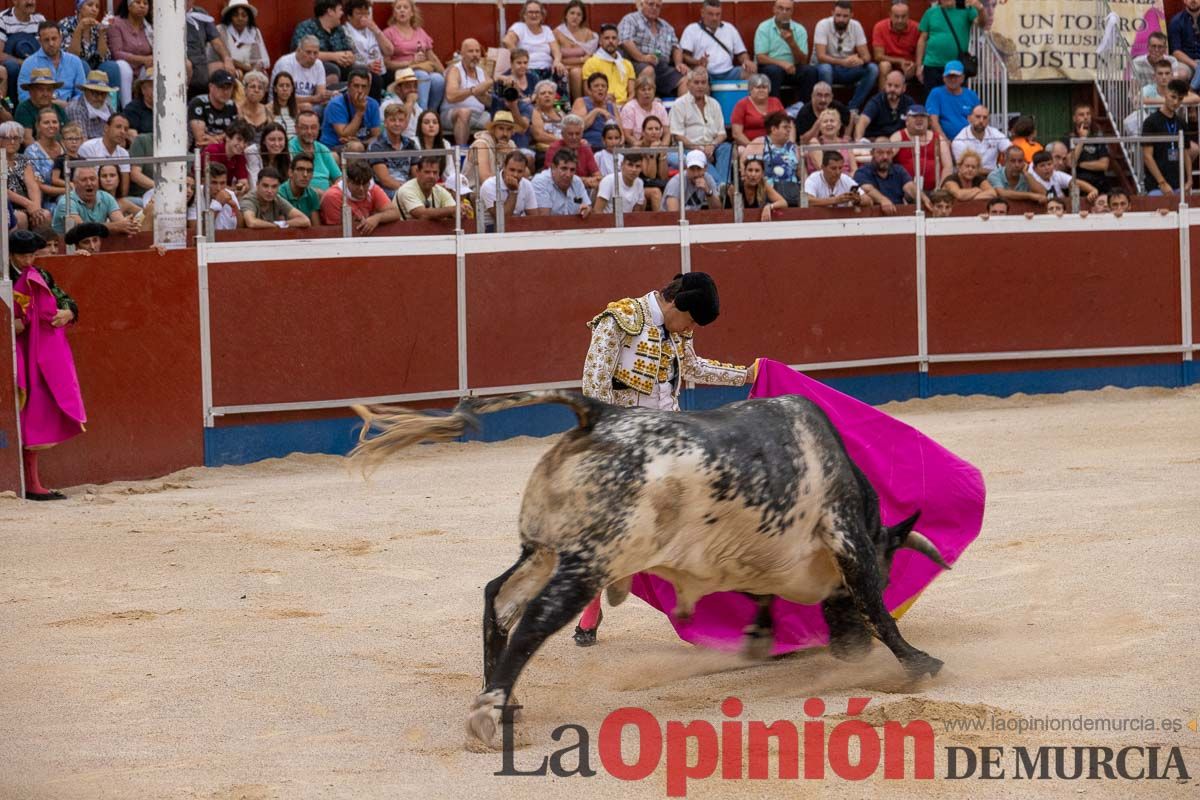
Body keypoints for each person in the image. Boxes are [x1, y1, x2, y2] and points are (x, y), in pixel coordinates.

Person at [574, 271, 755, 644]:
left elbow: (691, 367)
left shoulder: (678, 329)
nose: (689, 328)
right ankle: (592, 603)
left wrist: (745, 375)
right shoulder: (620, 320)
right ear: (676, 304)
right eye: (689, 319)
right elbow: (593, 387)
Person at [9, 229, 86, 501]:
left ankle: (32, 482)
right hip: (13, 353)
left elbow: (65, 299)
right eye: (21, 255)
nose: (28, 260)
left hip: (35, 354)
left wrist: (69, 312)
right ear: (9, 254)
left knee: (34, 411)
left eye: (31, 254)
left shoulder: (41, 275)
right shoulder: (4, 277)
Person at [668, 67, 731, 188]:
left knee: (726, 148)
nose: (700, 86)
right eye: (696, 82)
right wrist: (700, 149)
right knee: (698, 155)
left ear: (708, 85)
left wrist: (712, 146)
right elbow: (677, 136)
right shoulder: (679, 104)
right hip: (690, 148)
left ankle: (723, 185)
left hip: (712, 146)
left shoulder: (714, 104)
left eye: (703, 82)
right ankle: (721, 186)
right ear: (688, 84)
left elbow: (722, 134)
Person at [812, 0, 878, 114]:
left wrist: (860, 60)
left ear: (851, 15)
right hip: (828, 68)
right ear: (832, 13)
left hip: (847, 68)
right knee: (825, 68)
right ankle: (828, 109)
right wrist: (843, 62)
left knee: (873, 69)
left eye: (845, 16)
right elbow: (820, 56)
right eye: (838, 15)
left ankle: (852, 108)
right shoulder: (822, 24)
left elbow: (867, 56)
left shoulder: (856, 25)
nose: (841, 19)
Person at [382, 0, 445, 115]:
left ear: (412, 13)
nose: (402, 10)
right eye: (398, 8)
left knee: (438, 79)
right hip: (401, 72)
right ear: (394, 14)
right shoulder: (388, 33)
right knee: (423, 75)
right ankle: (422, 114)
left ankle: (431, 113)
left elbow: (432, 57)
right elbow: (387, 63)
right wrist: (411, 63)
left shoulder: (420, 31)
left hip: (422, 68)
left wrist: (445, 74)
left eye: (405, 7)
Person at [618, 0, 688, 98]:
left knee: (686, 78)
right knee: (648, 70)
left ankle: (682, 112)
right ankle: (648, 107)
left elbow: (676, 46)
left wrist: (678, 64)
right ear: (642, 4)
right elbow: (625, 41)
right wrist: (642, 57)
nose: (654, 8)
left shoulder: (666, 26)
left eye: (658, 6)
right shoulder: (631, 19)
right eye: (651, 4)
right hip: (636, 63)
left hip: (662, 66)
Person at [58, 0, 122, 102]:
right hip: (72, 68)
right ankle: (85, 104)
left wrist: (101, 34)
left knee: (112, 66)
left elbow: (104, 57)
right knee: (81, 64)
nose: (94, 9)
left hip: (94, 66)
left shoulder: (97, 26)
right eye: (90, 5)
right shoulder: (66, 24)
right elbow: (70, 56)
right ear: (79, 8)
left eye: (97, 6)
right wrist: (79, 29)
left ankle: (113, 106)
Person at [754, 0, 817, 101]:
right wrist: (781, 63)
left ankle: (804, 109)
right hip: (771, 67)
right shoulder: (764, 27)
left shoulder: (799, 29)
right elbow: (760, 57)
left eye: (788, 9)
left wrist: (791, 42)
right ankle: (775, 110)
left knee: (810, 71)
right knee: (774, 71)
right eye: (780, 8)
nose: (784, 12)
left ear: (792, 12)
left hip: (793, 68)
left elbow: (803, 61)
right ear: (774, 9)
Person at [916, 0, 986, 91]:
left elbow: (981, 24)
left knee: (957, 100)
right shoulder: (930, 12)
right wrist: (918, 66)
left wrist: (980, 9)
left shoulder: (967, 10)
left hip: (956, 67)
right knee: (933, 100)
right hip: (932, 65)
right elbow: (922, 40)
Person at [679, 0, 756, 82]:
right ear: (702, 13)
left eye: (718, 14)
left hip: (729, 72)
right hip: (705, 72)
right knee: (699, 76)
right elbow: (684, 56)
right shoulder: (692, 29)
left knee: (750, 72)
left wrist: (746, 61)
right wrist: (697, 62)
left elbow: (741, 53)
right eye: (710, 14)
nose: (714, 18)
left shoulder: (729, 28)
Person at [319, 159, 401, 232]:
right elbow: (335, 231)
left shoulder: (373, 188)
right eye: (357, 184)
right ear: (347, 181)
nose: (361, 189)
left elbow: (395, 213)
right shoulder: (332, 196)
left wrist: (377, 218)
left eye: (365, 184)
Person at [17, 20, 88, 103]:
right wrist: (50, 104)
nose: (51, 43)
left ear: (61, 38)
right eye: (46, 40)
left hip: (69, 109)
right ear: (40, 42)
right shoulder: (29, 63)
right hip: (40, 110)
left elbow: (81, 94)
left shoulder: (74, 61)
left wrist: (69, 106)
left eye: (54, 39)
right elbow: (23, 96)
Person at [441, 38, 492, 146]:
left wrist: (481, 95)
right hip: (452, 114)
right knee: (464, 112)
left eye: (477, 51)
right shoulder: (455, 70)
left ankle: (499, 153)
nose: (475, 55)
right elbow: (451, 96)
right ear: (462, 53)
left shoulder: (482, 72)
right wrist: (472, 91)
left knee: (501, 117)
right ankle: (462, 152)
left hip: (479, 115)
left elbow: (490, 103)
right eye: (471, 51)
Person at [290, 0, 355, 84]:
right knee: (332, 69)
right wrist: (334, 56)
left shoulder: (339, 29)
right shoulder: (306, 27)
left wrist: (349, 56)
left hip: (340, 67)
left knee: (360, 71)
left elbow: (348, 49)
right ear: (330, 12)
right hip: (311, 67)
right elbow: (299, 53)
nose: (342, 13)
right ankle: (329, 96)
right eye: (340, 10)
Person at [504, 0, 565, 88]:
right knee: (534, 79)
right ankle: (533, 101)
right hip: (528, 68)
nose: (534, 15)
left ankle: (559, 102)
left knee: (561, 72)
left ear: (542, 15)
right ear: (524, 15)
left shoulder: (546, 30)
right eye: (530, 12)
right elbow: (507, 41)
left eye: (537, 12)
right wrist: (520, 59)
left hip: (547, 68)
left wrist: (557, 61)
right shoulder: (519, 27)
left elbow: (556, 50)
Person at [1141, 80, 1188, 195]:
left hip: (1178, 183)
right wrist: (1162, 183)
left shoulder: (1182, 122)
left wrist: (1190, 180)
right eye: (1173, 97)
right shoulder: (1150, 122)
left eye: (1180, 99)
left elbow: (1186, 153)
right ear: (1165, 94)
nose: (1176, 102)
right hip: (1157, 185)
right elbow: (1147, 156)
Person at [318, 66, 381, 150]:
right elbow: (344, 135)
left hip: (361, 145)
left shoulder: (373, 104)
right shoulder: (336, 104)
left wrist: (361, 142)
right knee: (356, 147)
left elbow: (376, 137)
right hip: (332, 148)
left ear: (369, 88)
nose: (360, 90)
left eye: (364, 86)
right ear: (348, 86)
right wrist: (359, 112)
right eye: (356, 86)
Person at [342, 0, 391, 99]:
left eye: (366, 13)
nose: (363, 17)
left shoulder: (372, 29)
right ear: (349, 16)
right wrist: (366, 67)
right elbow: (347, 59)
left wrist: (376, 29)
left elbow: (389, 51)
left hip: (381, 69)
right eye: (359, 13)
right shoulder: (344, 31)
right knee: (375, 79)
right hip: (359, 71)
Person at [185, 0, 236, 95]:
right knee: (187, 65)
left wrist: (227, 59)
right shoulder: (170, 16)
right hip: (182, 64)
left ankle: (223, 107)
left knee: (225, 69)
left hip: (202, 65)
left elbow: (216, 41)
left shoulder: (201, 13)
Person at [272, 35, 334, 114]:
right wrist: (313, 99)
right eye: (308, 52)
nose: (312, 56)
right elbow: (283, 97)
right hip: (281, 105)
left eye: (315, 53)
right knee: (306, 107)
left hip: (309, 105)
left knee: (332, 105)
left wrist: (329, 96)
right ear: (298, 50)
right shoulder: (286, 64)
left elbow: (320, 94)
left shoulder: (318, 64)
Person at [394, 154, 468, 220]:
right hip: (399, 234)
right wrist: (454, 209)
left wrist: (461, 212)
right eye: (427, 172)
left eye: (435, 172)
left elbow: (455, 212)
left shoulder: (440, 191)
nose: (431, 176)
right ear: (417, 172)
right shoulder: (407, 189)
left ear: (439, 174)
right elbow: (422, 215)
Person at [478, 149, 537, 230]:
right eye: (512, 170)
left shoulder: (527, 184)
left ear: (525, 171)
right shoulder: (489, 185)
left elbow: (534, 217)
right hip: (490, 229)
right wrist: (513, 191)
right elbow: (502, 220)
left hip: (518, 227)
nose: (515, 175)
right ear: (504, 167)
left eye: (520, 171)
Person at [108, 0, 152, 105]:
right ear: (128, 6)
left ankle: (147, 106)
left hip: (143, 68)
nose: (142, 6)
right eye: (138, 2)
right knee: (124, 67)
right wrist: (143, 59)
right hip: (123, 67)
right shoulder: (116, 23)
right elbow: (117, 53)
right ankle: (127, 106)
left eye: (145, 3)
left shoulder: (149, 27)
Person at [240, 165, 312, 230]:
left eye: (274, 186)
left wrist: (281, 224)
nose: (270, 191)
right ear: (257, 184)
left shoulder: (277, 198)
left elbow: (305, 220)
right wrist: (276, 225)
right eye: (265, 186)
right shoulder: (248, 200)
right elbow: (252, 222)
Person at [368, 102, 417, 197]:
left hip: (408, 190)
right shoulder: (376, 146)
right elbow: (385, 180)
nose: (397, 124)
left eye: (401, 120)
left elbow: (416, 173)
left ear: (406, 124)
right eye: (393, 120)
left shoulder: (410, 144)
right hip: (385, 192)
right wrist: (409, 191)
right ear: (385, 123)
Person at [924, 60, 979, 141]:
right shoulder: (936, 93)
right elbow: (933, 122)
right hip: (944, 140)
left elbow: (979, 119)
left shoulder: (971, 95)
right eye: (949, 76)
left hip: (970, 140)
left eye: (956, 76)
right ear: (944, 78)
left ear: (963, 78)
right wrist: (945, 141)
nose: (952, 79)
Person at [554, 0, 598, 100]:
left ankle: (579, 102)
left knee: (576, 72)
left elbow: (589, 59)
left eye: (579, 14)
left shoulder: (588, 34)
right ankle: (567, 105)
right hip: (563, 67)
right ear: (566, 15)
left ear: (582, 18)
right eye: (572, 13)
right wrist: (579, 60)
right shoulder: (557, 33)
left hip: (583, 68)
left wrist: (571, 63)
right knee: (566, 72)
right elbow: (556, 58)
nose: (575, 17)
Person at [289, 109, 341, 192]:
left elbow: (338, 178)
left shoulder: (322, 148)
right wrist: (316, 193)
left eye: (313, 127)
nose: (309, 132)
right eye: (304, 128)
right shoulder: (290, 148)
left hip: (326, 198)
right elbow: (290, 182)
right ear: (296, 129)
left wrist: (333, 194)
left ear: (318, 128)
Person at [872, 1, 919, 92]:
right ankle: (883, 101)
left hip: (909, 66)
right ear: (890, 15)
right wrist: (900, 61)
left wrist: (914, 65)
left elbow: (921, 54)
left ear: (908, 15)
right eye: (896, 16)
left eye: (903, 16)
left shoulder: (916, 28)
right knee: (884, 65)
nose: (900, 20)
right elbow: (878, 56)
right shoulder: (880, 27)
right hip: (890, 65)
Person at [854, 69, 914, 140]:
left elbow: (915, 122)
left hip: (898, 141)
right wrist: (858, 140)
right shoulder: (876, 101)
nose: (892, 89)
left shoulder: (909, 102)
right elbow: (862, 121)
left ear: (904, 88)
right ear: (885, 85)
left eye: (896, 86)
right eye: (889, 85)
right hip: (877, 142)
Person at [530, 147, 591, 217]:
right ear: (553, 168)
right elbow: (544, 219)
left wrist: (586, 210)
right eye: (564, 168)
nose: (568, 175)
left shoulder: (577, 181)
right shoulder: (540, 182)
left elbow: (588, 207)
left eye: (572, 170)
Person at [581, 24, 631, 106]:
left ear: (618, 41)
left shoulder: (627, 64)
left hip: (625, 106)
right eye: (607, 38)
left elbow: (632, 92)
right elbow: (587, 91)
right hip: (601, 104)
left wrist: (626, 106)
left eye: (614, 38)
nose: (611, 41)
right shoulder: (591, 62)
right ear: (600, 41)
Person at [188, 68, 239, 148]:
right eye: (221, 87)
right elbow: (201, 141)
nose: (226, 92)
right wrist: (225, 138)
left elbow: (236, 136)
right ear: (211, 87)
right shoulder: (198, 103)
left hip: (222, 152)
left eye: (229, 88)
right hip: (198, 154)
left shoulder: (231, 105)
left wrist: (214, 139)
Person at [803, 149, 872, 208]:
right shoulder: (813, 179)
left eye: (840, 168)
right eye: (833, 168)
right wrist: (836, 200)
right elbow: (806, 201)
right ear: (823, 167)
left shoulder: (845, 178)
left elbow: (868, 201)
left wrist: (857, 200)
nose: (838, 172)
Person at [219, 0, 270, 77]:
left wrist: (256, 67)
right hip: (230, 72)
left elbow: (263, 60)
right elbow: (222, 57)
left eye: (244, 15)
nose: (240, 18)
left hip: (251, 74)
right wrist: (247, 68)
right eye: (235, 15)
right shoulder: (221, 30)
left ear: (249, 17)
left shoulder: (254, 32)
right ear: (230, 16)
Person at [731, 73, 784, 147]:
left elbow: (788, 124)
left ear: (769, 90)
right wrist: (753, 147)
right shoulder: (742, 104)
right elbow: (737, 134)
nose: (761, 90)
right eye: (758, 87)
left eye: (764, 87)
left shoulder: (776, 102)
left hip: (776, 145)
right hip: (748, 145)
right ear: (750, 90)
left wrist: (791, 143)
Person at [65, 69, 119, 141]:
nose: (100, 98)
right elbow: (81, 142)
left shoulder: (108, 107)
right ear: (86, 91)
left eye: (103, 94)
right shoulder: (75, 108)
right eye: (95, 93)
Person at [731, 153, 787, 220]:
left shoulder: (763, 185)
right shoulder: (735, 187)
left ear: (762, 173)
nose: (753, 174)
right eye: (750, 170)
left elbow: (783, 203)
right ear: (744, 171)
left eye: (757, 171)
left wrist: (769, 206)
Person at [571, 71, 618, 150]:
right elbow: (577, 127)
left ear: (607, 90)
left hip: (610, 149)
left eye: (603, 86)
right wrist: (596, 111)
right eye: (596, 86)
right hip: (589, 147)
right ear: (589, 90)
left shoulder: (612, 106)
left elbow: (621, 132)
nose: (600, 88)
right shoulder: (581, 102)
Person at [279, 153, 322, 224]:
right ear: (290, 172)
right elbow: (282, 227)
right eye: (300, 169)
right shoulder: (279, 194)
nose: (305, 175)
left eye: (309, 171)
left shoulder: (312, 194)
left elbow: (316, 227)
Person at [236, 70, 273, 137]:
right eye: (252, 86)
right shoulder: (237, 109)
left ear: (264, 93)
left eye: (260, 88)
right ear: (245, 90)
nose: (256, 90)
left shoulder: (268, 111)